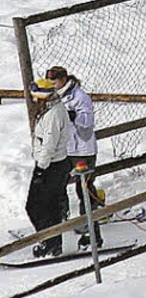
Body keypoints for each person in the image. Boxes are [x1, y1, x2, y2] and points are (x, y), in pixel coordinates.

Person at [46, 65, 102, 250]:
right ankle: (60, 225)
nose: (52, 84)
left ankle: (92, 234)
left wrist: (73, 116)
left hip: (82, 150)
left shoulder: (80, 97)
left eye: (54, 81)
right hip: (64, 150)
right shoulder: (54, 96)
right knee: (55, 188)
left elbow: (87, 124)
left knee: (84, 190)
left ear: (63, 79)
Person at [26, 77, 71, 258]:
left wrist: (41, 168)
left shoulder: (53, 114)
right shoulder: (51, 110)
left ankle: (49, 242)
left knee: (37, 206)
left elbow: (49, 145)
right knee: (50, 206)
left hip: (52, 166)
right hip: (53, 165)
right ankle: (52, 242)